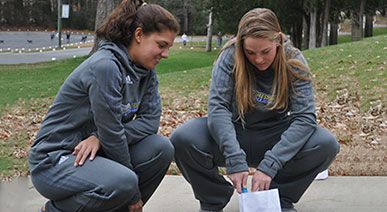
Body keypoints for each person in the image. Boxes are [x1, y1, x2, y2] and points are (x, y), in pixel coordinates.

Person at [171, 8, 339, 212]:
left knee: (326, 144)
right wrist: (233, 157)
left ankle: (279, 199)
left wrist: (270, 164)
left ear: (278, 39)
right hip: (235, 131)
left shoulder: (294, 60)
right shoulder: (229, 56)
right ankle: (213, 198)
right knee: (182, 138)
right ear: (241, 44)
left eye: (265, 51)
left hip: (274, 135)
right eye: (250, 52)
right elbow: (218, 108)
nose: (258, 59)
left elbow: (304, 118)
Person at [28, 1, 179, 212]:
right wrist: (133, 194)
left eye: (168, 47)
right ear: (138, 35)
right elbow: (112, 133)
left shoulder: (146, 72)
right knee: (125, 182)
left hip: (96, 154)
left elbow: (149, 123)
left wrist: (99, 137)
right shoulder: (106, 66)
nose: (166, 54)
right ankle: (55, 210)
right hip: (55, 161)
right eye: (161, 45)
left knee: (161, 149)